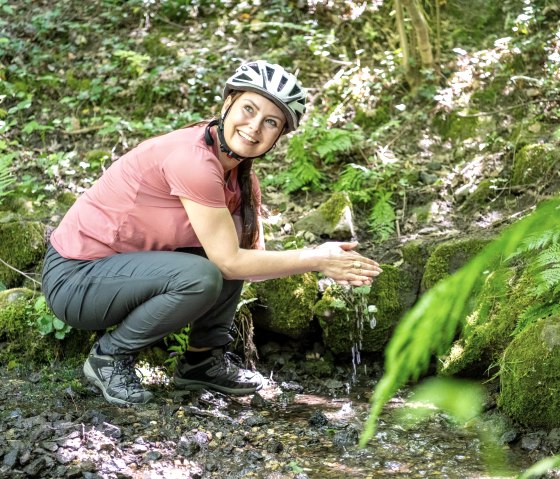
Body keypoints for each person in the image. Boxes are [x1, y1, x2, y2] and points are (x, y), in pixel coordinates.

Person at [41, 60, 383, 406]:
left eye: (271, 122)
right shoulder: (193, 160)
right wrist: (315, 259)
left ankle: (202, 362)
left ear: (278, 137)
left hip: (122, 274)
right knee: (204, 273)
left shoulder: (241, 180)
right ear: (227, 104)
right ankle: (109, 358)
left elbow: (248, 263)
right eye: (248, 109)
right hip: (75, 280)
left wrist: (318, 259)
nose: (254, 127)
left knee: (224, 257)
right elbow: (228, 263)